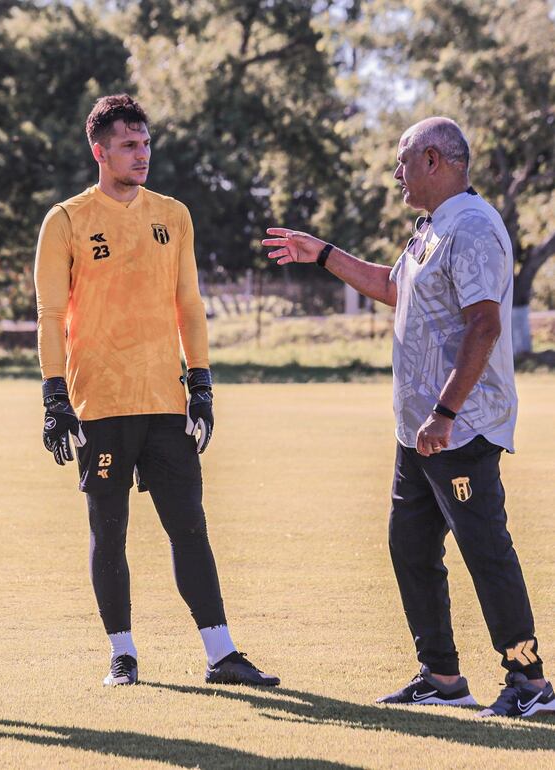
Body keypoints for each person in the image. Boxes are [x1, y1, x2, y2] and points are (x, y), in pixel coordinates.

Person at [263, 117, 554, 718]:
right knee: (410, 547)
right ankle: (443, 676)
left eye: (402, 162)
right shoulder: (432, 228)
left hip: (459, 425)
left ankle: (530, 683)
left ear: (432, 160)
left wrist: (445, 412)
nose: (396, 174)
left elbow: (485, 324)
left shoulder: (472, 227)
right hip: (418, 432)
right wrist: (322, 254)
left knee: (485, 549)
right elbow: (393, 288)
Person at [34, 94, 278, 688]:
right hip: (101, 404)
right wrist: (54, 397)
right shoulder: (65, 220)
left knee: (189, 527)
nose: (141, 155)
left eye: (145, 144)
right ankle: (123, 652)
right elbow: (49, 314)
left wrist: (202, 383)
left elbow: (189, 306)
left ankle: (221, 654)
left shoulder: (174, 213)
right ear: (100, 151)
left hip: (167, 402)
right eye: (128, 145)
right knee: (109, 531)